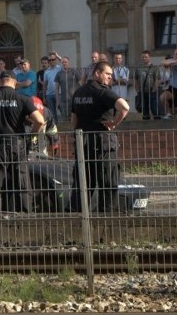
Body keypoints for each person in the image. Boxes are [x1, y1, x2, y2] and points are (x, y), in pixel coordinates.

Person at [0, 70, 44, 213]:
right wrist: (30, 137)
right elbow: (40, 121)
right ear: (14, 81)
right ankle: (26, 218)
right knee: (22, 184)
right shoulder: (22, 98)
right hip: (17, 144)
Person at [69, 61, 129, 213]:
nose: (110, 78)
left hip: (83, 143)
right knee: (108, 183)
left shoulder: (78, 92)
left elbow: (73, 120)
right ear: (97, 73)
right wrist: (114, 123)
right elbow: (125, 107)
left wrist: (75, 138)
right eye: (108, 74)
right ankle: (107, 222)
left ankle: (78, 220)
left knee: (83, 185)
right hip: (103, 143)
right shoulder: (103, 91)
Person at [133, 50, 166, 120]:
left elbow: (157, 79)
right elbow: (135, 79)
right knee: (144, 110)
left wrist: (154, 90)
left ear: (149, 57)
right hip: (142, 92)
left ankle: (157, 124)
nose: (144, 58)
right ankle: (145, 124)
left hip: (152, 91)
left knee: (154, 108)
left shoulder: (154, 67)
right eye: (143, 57)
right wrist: (138, 90)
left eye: (146, 57)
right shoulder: (138, 68)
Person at [54, 56, 80, 123]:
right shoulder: (59, 74)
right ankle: (67, 133)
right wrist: (57, 101)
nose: (64, 64)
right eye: (62, 62)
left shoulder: (74, 72)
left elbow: (81, 84)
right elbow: (56, 88)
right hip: (63, 101)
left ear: (69, 62)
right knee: (65, 120)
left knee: (75, 119)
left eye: (65, 62)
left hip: (74, 100)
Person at [43, 52, 62, 122]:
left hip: (59, 94)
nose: (51, 61)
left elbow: (64, 62)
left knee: (62, 112)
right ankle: (55, 130)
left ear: (56, 60)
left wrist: (57, 55)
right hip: (49, 95)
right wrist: (44, 97)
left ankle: (63, 129)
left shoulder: (59, 68)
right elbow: (44, 85)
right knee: (52, 114)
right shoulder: (46, 72)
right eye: (49, 60)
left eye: (53, 59)